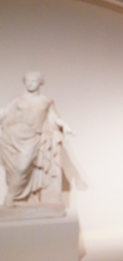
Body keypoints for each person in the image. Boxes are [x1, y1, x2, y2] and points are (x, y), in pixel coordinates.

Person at [0, 72, 72, 210]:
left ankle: (11, 196)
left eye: (33, 80)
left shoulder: (47, 101)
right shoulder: (18, 99)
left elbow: (53, 117)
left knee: (22, 167)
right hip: (12, 136)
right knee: (13, 169)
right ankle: (13, 199)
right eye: (27, 80)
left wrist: (65, 125)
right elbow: (5, 112)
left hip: (32, 138)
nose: (30, 83)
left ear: (40, 82)